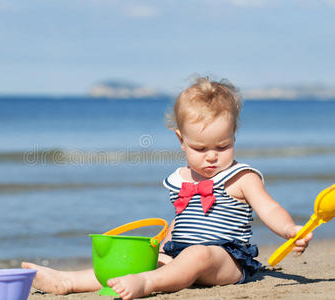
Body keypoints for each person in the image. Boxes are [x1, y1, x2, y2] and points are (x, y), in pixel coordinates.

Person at [21, 76, 313, 300]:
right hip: (180, 253)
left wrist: (289, 230)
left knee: (200, 254)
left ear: (234, 136)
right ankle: (69, 281)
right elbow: (184, 218)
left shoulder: (241, 177)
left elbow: (268, 208)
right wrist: (162, 242)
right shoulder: (180, 178)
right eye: (200, 148)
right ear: (180, 140)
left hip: (227, 260)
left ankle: (146, 284)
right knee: (145, 260)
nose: (212, 156)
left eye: (222, 146)